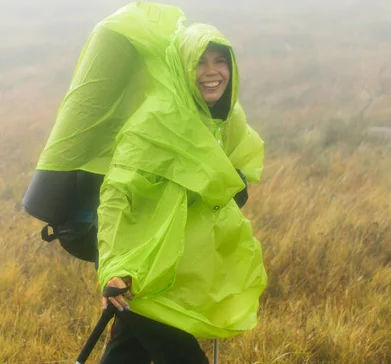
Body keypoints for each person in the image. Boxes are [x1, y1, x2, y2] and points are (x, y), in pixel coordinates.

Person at [96, 22, 266, 363]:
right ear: (182, 67)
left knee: (125, 355)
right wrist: (113, 266)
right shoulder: (155, 121)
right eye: (200, 62)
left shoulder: (224, 121)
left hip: (181, 276)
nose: (212, 72)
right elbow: (116, 195)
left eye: (221, 61)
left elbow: (235, 178)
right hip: (143, 273)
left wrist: (232, 184)